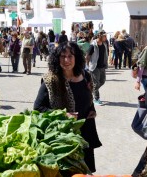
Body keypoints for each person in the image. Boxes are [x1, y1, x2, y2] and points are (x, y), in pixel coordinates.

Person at [33, 42, 102, 173]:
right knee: (68, 171)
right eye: (62, 56)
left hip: (86, 131)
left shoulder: (85, 76)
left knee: (84, 171)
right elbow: (38, 108)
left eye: (70, 56)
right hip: (64, 137)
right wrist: (63, 115)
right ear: (56, 58)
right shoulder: (51, 80)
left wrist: (92, 109)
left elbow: (88, 97)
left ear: (77, 58)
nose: (66, 60)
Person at [86, 30, 108, 105]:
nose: (106, 37)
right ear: (99, 36)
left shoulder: (104, 44)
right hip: (95, 67)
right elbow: (87, 56)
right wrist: (88, 66)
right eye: (104, 36)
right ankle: (96, 99)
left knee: (102, 81)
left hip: (102, 66)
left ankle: (91, 89)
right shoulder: (93, 45)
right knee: (96, 83)